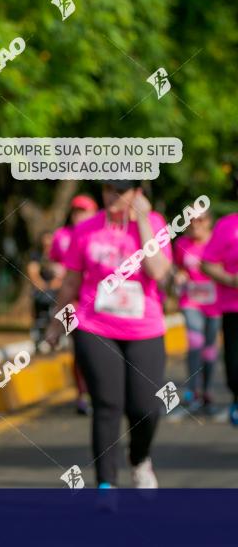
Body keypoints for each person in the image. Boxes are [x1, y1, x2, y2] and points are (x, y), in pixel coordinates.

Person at [45, 180, 169, 488]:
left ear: (137, 193)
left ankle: (139, 459)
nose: (112, 196)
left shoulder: (154, 225)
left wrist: (142, 221)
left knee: (145, 408)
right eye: (107, 189)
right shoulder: (86, 229)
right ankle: (106, 484)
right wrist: (55, 323)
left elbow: (158, 272)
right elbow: (72, 281)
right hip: (95, 325)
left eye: (121, 190)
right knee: (107, 404)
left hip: (144, 328)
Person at [49, 194, 97, 415]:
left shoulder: (99, 235)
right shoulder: (62, 235)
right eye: (76, 211)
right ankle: (82, 394)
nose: (79, 215)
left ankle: (100, 391)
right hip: (70, 302)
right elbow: (51, 262)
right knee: (79, 348)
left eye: (84, 210)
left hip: (95, 304)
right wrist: (56, 271)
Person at [173, 211, 220, 414]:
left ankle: (207, 389)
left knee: (209, 348)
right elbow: (176, 267)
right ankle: (193, 390)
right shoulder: (182, 244)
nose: (195, 224)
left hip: (215, 303)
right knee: (195, 342)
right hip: (191, 301)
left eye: (200, 219)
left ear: (208, 222)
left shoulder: (218, 242)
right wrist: (179, 275)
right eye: (191, 220)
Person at [201, 209, 238, 426]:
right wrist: (231, 279)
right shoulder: (227, 225)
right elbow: (207, 262)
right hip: (233, 307)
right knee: (235, 366)